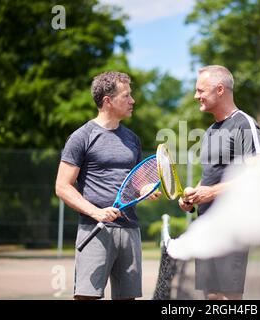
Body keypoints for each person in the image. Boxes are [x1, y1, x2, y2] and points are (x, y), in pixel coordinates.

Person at [55, 71, 159, 300]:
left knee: (127, 298)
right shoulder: (81, 137)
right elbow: (62, 186)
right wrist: (97, 212)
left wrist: (144, 189)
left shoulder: (132, 138)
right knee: (87, 297)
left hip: (130, 228)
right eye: (126, 96)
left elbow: (135, 181)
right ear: (107, 101)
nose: (133, 101)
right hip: (94, 229)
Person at [179, 65, 260, 300]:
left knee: (228, 298)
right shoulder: (209, 131)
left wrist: (212, 193)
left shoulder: (244, 123)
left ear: (219, 90)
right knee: (213, 296)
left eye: (200, 90)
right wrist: (193, 196)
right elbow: (211, 176)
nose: (196, 96)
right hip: (206, 226)